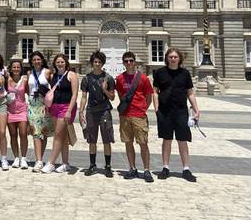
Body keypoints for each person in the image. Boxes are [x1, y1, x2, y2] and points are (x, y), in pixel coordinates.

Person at [152, 47, 200, 182]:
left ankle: (186, 169)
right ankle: (165, 167)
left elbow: (190, 92)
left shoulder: (185, 73)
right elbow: (155, 91)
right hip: (165, 111)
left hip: (181, 111)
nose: (173, 59)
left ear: (179, 59)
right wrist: (156, 108)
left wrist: (196, 109)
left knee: (182, 140)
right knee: (166, 139)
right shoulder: (160, 73)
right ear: (167, 58)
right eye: (171, 57)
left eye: (175, 57)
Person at [115, 51, 155, 183]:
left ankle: (147, 170)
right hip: (125, 115)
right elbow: (121, 96)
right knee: (128, 142)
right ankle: (132, 168)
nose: (129, 63)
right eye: (126, 61)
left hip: (139, 115)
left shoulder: (143, 78)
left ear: (135, 62)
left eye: (131, 60)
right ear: (123, 63)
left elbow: (149, 96)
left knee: (143, 143)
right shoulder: (120, 78)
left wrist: (142, 108)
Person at [79, 51, 116, 178]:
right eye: (95, 62)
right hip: (91, 111)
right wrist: (81, 111)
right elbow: (84, 96)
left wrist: (105, 89)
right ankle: (92, 165)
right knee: (91, 140)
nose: (97, 64)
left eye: (99, 62)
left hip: (104, 110)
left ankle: (108, 166)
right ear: (92, 63)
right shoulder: (86, 79)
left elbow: (112, 97)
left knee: (106, 139)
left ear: (102, 63)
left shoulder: (109, 78)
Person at [42, 54, 79, 174]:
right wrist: (47, 106)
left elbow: (74, 94)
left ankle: (51, 163)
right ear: (55, 64)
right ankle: (65, 163)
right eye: (57, 62)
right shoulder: (54, 76)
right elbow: (51, 91)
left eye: (62, 62)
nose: (60, 64)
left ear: (66, 63)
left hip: (66, 107)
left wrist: (69, 110)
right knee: (62, 137)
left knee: (58, 135)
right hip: (54, 107)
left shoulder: (71, 75)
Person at [26, 51, 53, 172]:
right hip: (33, 104)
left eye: (38, 59)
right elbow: (28, 88)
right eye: (34, 60)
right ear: (31, 62)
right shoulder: (29, 73)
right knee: (36, 132)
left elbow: (53, 88)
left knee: (43, 132)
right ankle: (38, 161)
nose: (36, 62)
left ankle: (40, 158)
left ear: (42, 61)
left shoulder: (47, 72)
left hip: (44, 104)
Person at [6, 58, 29, 169]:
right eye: (14, 67)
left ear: (21, 69)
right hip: (10, 111)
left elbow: (30, 93)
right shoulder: (6, 80)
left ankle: (23, 158)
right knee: (13, 135)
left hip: (22, 110)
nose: (16, 69)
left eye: (18, 67)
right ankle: (16, 157)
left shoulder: (24, 80)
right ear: (11, 68)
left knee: (23, 134)